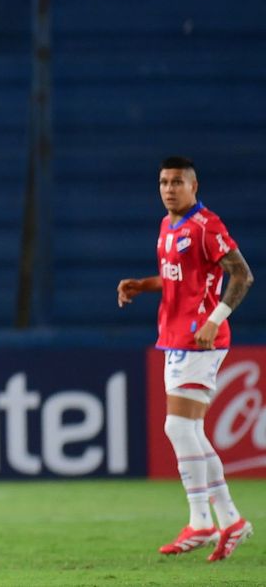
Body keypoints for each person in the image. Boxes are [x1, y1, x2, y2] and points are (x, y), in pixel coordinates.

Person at [117, 156, 254, 561]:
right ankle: (229, 519)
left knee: (177, 426)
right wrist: (144, 284)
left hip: (201, 337)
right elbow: (181, 277)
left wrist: (215, 320)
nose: (169, 188)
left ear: (195, 186)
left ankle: (202, 522)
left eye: (177, 182)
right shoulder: (166, 226)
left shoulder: (206, 225)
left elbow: (242, 275)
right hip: (174, 337)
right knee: (188, 430)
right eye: (163, 182)